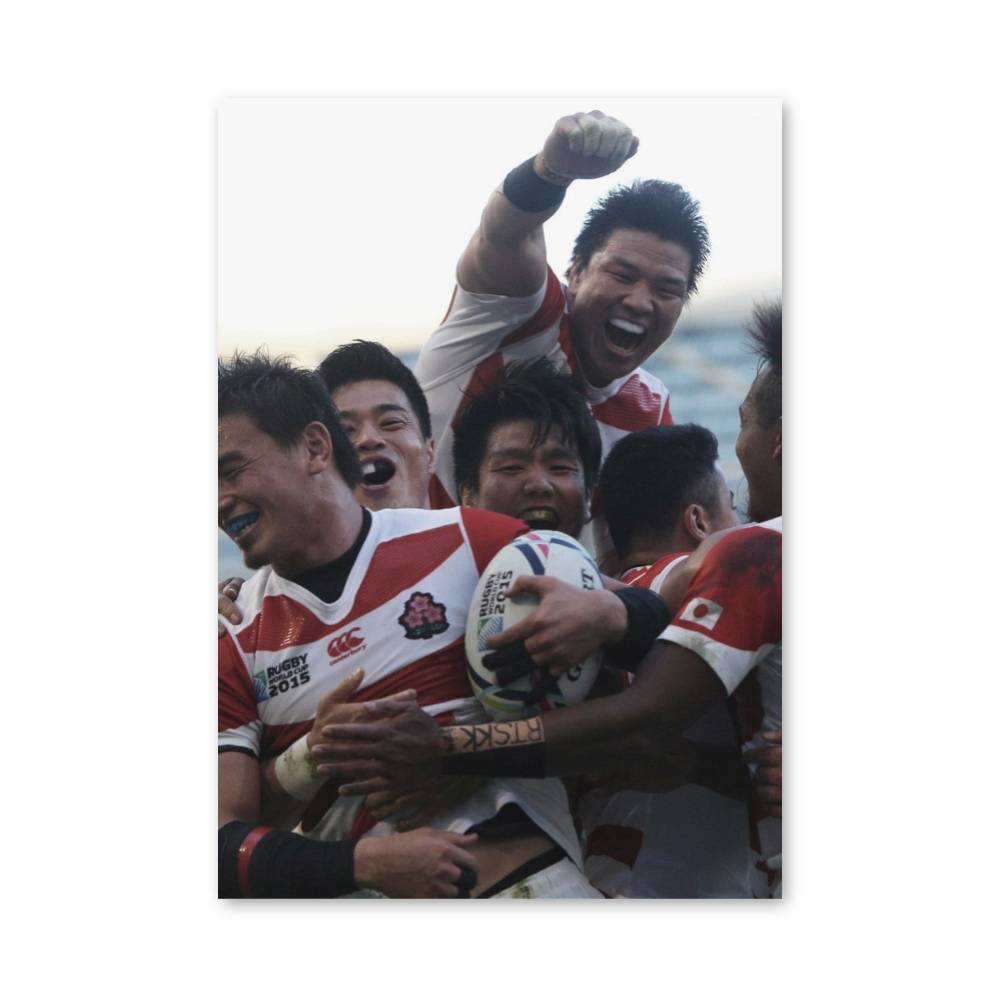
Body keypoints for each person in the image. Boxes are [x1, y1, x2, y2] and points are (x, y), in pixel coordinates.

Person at [312, 299, 784, 897]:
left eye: (560, 467)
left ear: (587, 500)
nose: (538, 483)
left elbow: (666, 678)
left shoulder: (645, 583)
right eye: (511, 467)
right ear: (465, 495)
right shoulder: (291, 616)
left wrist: (616, 615)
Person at [217, 350, 604, 898]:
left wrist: (458, 753)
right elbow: (221, 844)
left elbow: (639, 709)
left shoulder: (475, 542)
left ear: (314, 448)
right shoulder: (231, 638)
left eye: (230, 470)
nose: (218, 501)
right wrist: (315, 761)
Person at [415, 109, 710, 566]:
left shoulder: (650, 410)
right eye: (622, 274)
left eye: (667, 289)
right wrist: (551, 171)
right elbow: (504, 235)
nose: (639, 301)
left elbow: (641, 558)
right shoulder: (516, 315)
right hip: (411, 592)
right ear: (576, 272)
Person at [579, 423, 751, 898]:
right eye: (732, 509)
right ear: (699, 523)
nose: (746, 530)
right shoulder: (682, 579)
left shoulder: (598, 599)